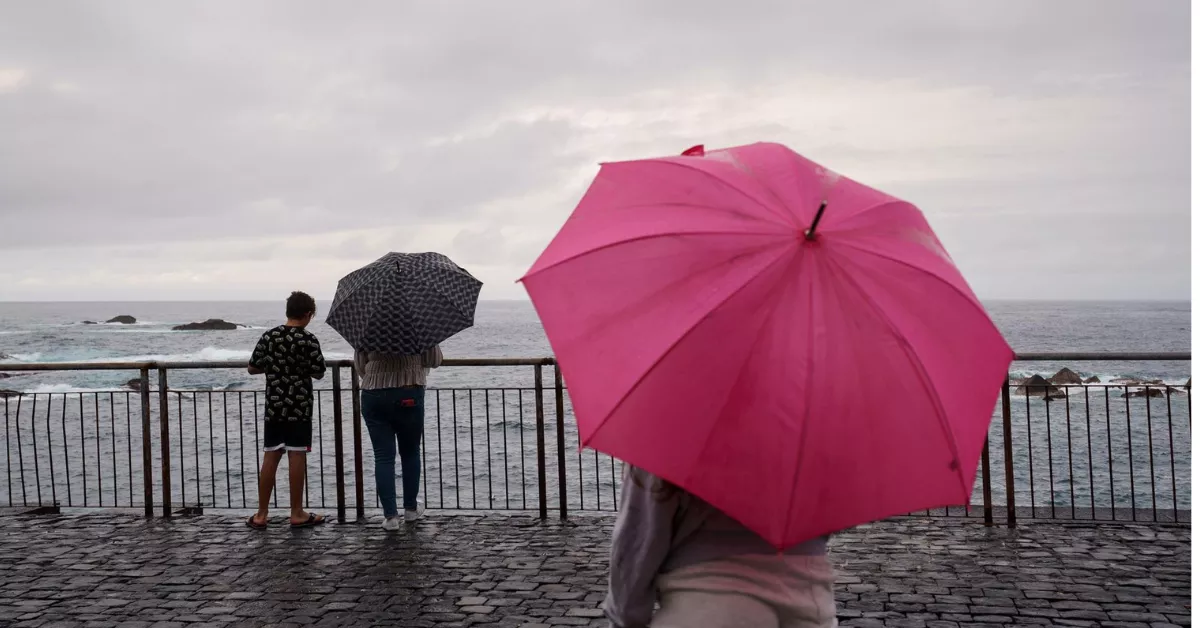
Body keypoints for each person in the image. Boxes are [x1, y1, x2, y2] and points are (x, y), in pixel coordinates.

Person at [603, 466, 837, 628]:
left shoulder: (672, 431)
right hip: (810, 605)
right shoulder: (816, 432)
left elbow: (637, 543)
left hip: (707, 605)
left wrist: (626, 617)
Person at [245, 291, 327, 529]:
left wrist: (275, 368)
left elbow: (252, 367)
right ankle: (297, 512)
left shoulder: (269, 337)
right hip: (299, 407)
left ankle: (261, 514)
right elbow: (319, 372)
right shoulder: (308, 340)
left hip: (274, 405)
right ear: (308, 314)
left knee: (271, 454)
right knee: (296, 455)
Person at [355, 343, 443, 530]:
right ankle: (410, 509)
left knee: (383, 456)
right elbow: (434, 360)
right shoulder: (418, 323)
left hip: (374, 393)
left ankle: (390, 517)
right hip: (409, 390)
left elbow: (360, 366)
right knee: (410, 452)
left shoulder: (368, 326)